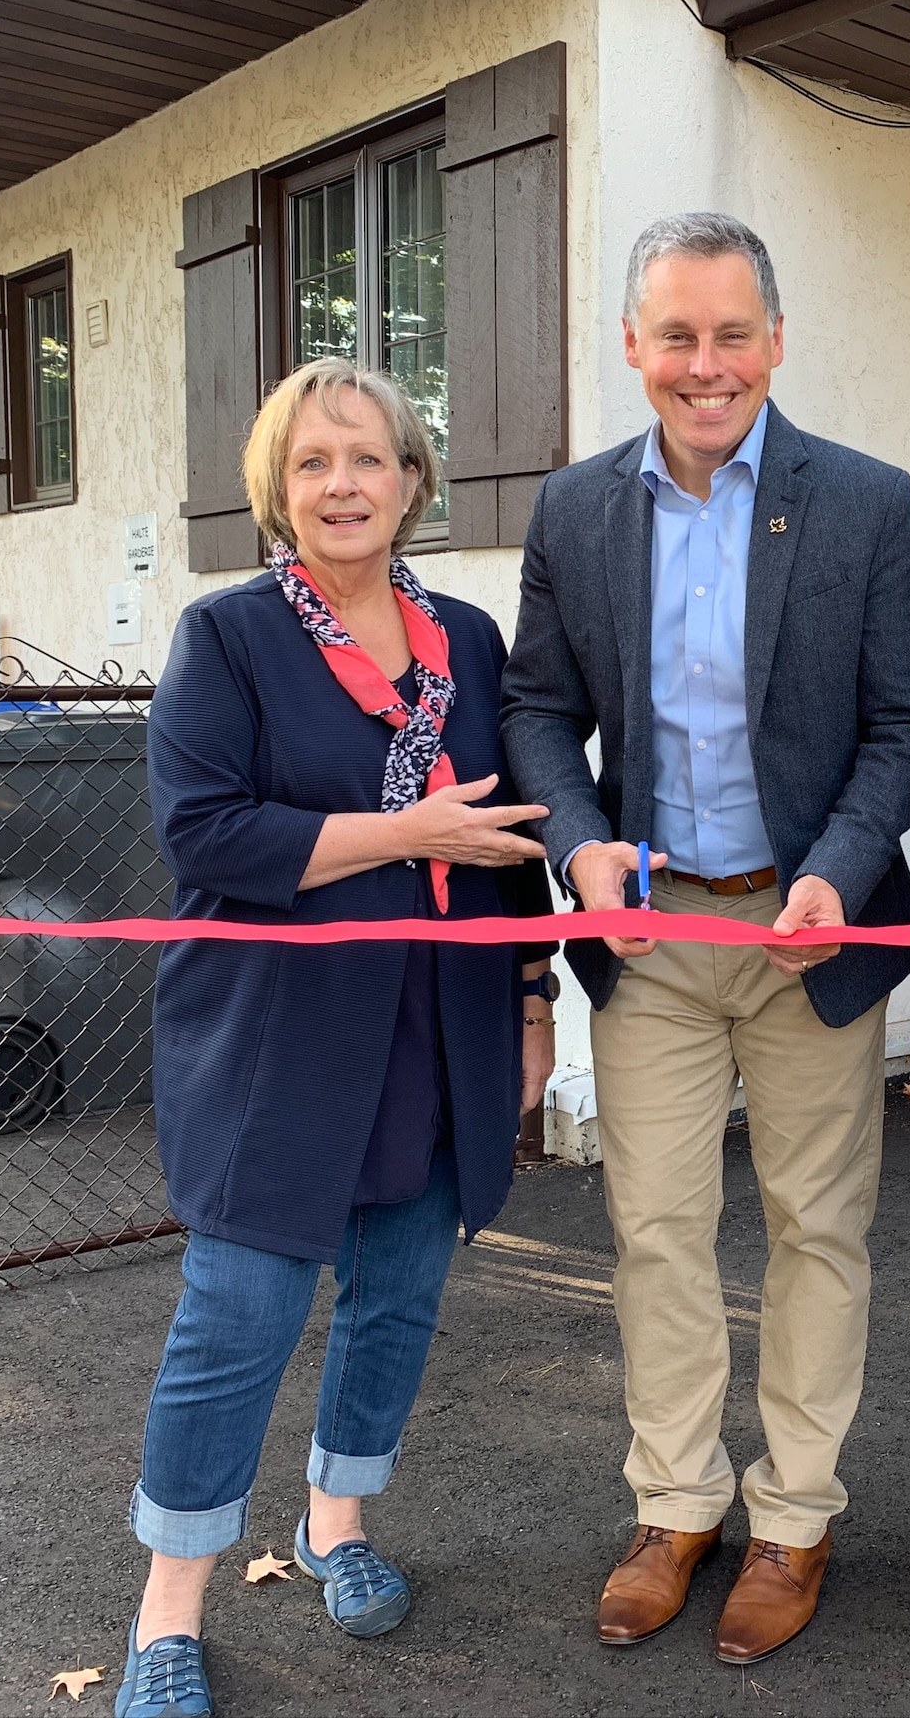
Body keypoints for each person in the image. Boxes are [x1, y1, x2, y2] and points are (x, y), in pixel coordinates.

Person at [501, 212, 910, 1665]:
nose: (706, 365)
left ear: (775, 341)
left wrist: (836, 868)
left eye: (732, 333)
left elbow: (904, 722)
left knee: (821, 1231)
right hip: (652, 941)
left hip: (813, 931)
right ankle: (676, 1505)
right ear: (634, 345)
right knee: (657, 1237)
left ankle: (795, 1519)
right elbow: (535, 716)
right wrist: (577, 841)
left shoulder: (868, 504)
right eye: (676, 335)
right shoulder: (573, 513)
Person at [114, 359, 558, 1717]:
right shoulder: (230, 635)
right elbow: (203, 832)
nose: (343, 485)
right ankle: (167, 1615)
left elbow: (508, 843)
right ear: (278, 489)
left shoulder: (471, 643)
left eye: (368, 459)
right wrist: (400, 833)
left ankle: (335, 1529)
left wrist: (534, 994)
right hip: (275, 1038)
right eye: (313, 463)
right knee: (237, 1318)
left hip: (440, 1027)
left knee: (398, 1300)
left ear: (413, 481)